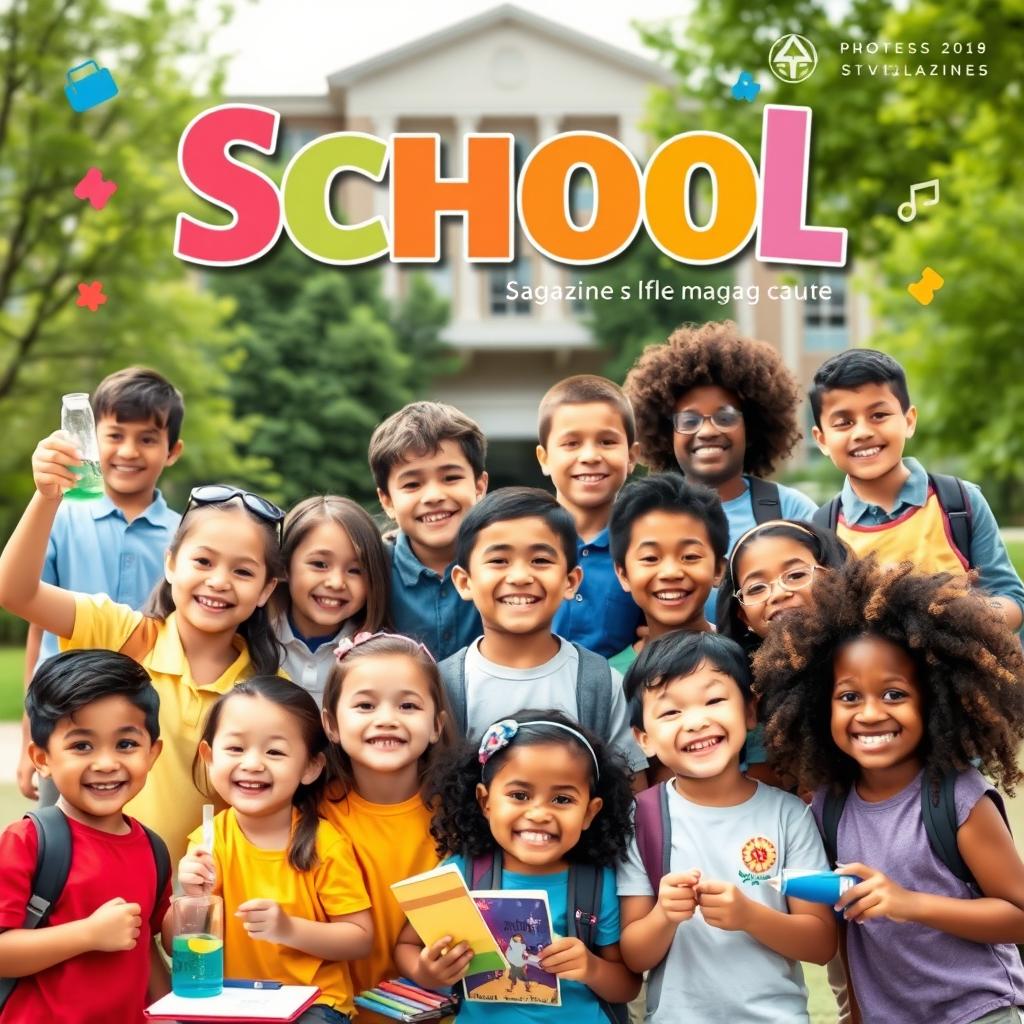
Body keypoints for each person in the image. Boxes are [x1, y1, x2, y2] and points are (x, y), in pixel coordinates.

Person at [756, 557, 1024, 1024]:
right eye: (849, 697)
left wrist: (910, 903)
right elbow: (847, 935)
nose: (871, 713)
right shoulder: (828, 806)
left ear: (936, 700)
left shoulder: (959, 800)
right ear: (820, 707)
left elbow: (1018, 914)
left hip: (978, 1011)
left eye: (895, 694)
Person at [0, 443, 285, 864]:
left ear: (265, 590)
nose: (219, 581)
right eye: (203, 561)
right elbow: (15, 591)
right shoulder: (121, 633)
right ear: (171, 565)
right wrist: (47, 497)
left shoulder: (269, 692)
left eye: (242, 571)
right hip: (96, 899)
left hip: (197, 913)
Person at [617, 631, 836, 1024]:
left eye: (715, 700)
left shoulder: (789, 816)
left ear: (750, 711)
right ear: (644, 739)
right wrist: (664, 915)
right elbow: (633, 955)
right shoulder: (640, 818)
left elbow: (821, 942)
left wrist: (749, 916)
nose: (697, 722)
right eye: (671, 712)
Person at [395, 709, 641, 1024]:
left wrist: (591, 968)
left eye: (562, 799)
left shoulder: (596, 884)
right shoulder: (460, 874)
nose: (539, 814)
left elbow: (627, 986)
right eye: (520, 795)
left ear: (590, 812)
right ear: (485, 802)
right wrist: (425, 972)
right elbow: (406, 945)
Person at [18, 368, 184, 803]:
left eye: (148, 438)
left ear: (173, 450)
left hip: (143, 725)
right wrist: (25, 739)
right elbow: (38, 629)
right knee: (61, 848)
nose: (129, 451)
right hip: (64, 714)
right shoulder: (57, 518)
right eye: (115, 435)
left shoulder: (185, 537)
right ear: (92, 439)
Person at [177, 676, 372, 1024]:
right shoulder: (208, 840)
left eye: (275, 752)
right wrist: (190, 896)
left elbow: (359, 939)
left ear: (311, 767)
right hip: (231, 999)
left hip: (313, 1002)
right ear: (208, 756)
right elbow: (176, 940)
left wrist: (288, 929)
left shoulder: (324, 843)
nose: (253, 764)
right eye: (235, 749)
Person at [0, 650, 168, 1023]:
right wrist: (88, 934)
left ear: (152, 752)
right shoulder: (27, 841)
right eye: (81, 745)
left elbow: (144, 948)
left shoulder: (153, 850)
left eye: (126, 744)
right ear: (42, 759)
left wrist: (170, 1011)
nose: (106, 763)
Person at [809, 348, 1024, 630]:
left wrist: (945, 608)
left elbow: (1012, 600)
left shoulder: (959, 502)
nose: (862, 432)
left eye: (878, 415)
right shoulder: (823, 530)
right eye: (844, 422)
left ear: (909, 421)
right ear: (822, 439)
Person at [442, 487, 647, 778]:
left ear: (570, 580)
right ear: (464, 582)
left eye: (540, 560)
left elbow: (630, 793)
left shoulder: (600, 685)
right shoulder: (444, 686)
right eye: (499, 560)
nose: (520, 577)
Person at [623, 321, 816, 621]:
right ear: (665, 433)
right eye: (689, 421)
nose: (708, 430)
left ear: (750, 427)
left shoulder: (791, 510)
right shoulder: (646, 519)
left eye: (725, 417)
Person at [319, 631, 456, 997]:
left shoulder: (459, 819)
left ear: (436, 726)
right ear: (331, 724)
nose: (387, 720)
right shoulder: (308, 815)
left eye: (407, 706)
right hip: (331, 1014)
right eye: (365, 706)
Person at [715, 519, 850, 791]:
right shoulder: (755, 692)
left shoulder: (874, 652)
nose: (778, 593)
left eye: (797, 575)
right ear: (743, 617)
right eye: (756, 588)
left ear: (833, 576)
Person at [369, 401, 488, 661]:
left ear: (479, 487)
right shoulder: (371, 571)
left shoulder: (505, 563)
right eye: (412, 484)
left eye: (451, 478)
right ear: (387, 500)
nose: (433, 496)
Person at [536, 374, 643, 658]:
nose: (590, 456)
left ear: (632, 456)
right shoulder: (523, 544)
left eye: (607, 442)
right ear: (544, 458)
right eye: (571, 443)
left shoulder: (644, 548)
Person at [272, 495, 391, 708]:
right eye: (319, 564)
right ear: (286, 566)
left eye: (355, 570)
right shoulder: (252, 639)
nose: (336, 583)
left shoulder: (381, 657)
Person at [607, 473, 728, 675]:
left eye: (690, 556)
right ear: (623, 575)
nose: (670, 573)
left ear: (718, 569)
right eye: (650, 558)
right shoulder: (608, 680)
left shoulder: (751, 660)